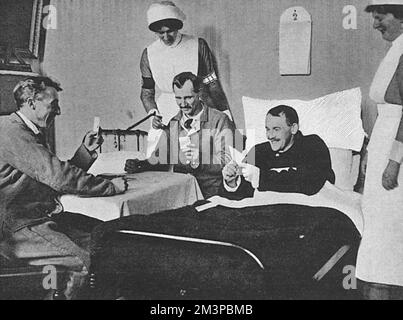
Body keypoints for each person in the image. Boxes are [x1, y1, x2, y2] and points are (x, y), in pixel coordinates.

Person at [0, 77, 128, 299]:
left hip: (36, 218)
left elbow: (48, 179)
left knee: (103, 245)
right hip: (18, 226)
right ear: (31, 103)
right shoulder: (12, 132)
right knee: (86, 262)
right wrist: (110, 187)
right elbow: (58, 177)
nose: (58, 112)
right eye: (53, 105)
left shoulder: (25, 130)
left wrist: (84, 153)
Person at [356, 1, 403, 300]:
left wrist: (393, 163)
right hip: (384, 151)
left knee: (386, 242)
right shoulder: (397, 47)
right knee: (380, 237)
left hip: (395, 157)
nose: (375, 24)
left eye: (380, 16)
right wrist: (370, 154)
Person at [141, 1, 232, 157]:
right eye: (160, 33)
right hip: (166, 113)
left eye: (169, 31)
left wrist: (225, 113)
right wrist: (153, 113)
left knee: (205, 156)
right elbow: (147, 92)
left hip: (197, 106)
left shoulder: (198, 45)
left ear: (177, 26)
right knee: (159, 159)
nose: (166, 36)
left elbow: (212, 83)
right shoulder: (148, 54)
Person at [126, 72, 234, 199]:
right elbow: (159, 159)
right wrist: (140, 165)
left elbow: (228, 160)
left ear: (198, 93)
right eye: (178, 98)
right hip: (181, 193)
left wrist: (200, 159)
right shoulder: (174, 123)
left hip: (211, 194)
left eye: (188, 97)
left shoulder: (220, 120)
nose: (183, 104)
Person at [222, 105, 335, 200]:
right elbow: (241, 196)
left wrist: (259, 177)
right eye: (267, 129)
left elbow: (310, 183)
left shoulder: (313, 145)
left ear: (294, 128)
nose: (270, 136)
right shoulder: (258, 151)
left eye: (276, 129)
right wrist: (232, 181)